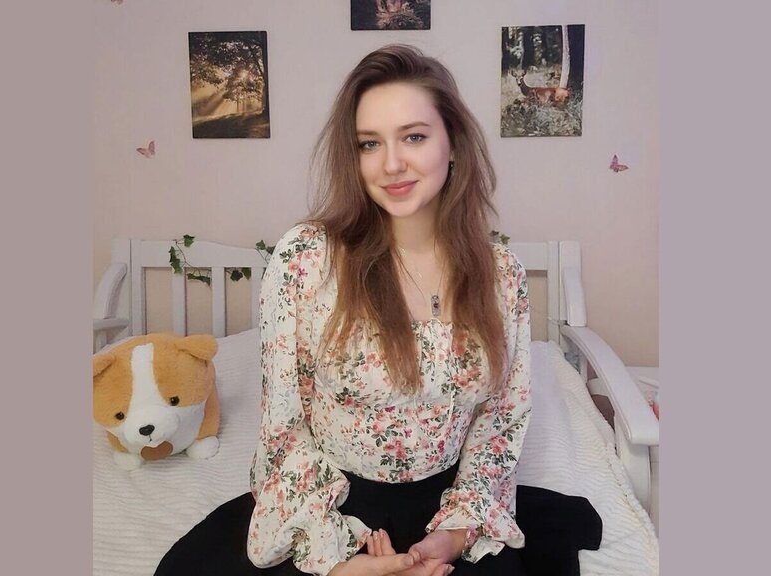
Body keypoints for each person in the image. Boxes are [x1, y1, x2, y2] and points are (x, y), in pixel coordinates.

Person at [157, 44, 533, 576]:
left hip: (449, 515)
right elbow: (284, 424)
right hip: (327, 508)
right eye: (369, 143)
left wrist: (455, 533)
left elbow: (501, 419)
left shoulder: (502, 275)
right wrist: (336, 562)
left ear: (453, 143)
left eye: (414, 137)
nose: (392, 163)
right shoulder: (307, 260)